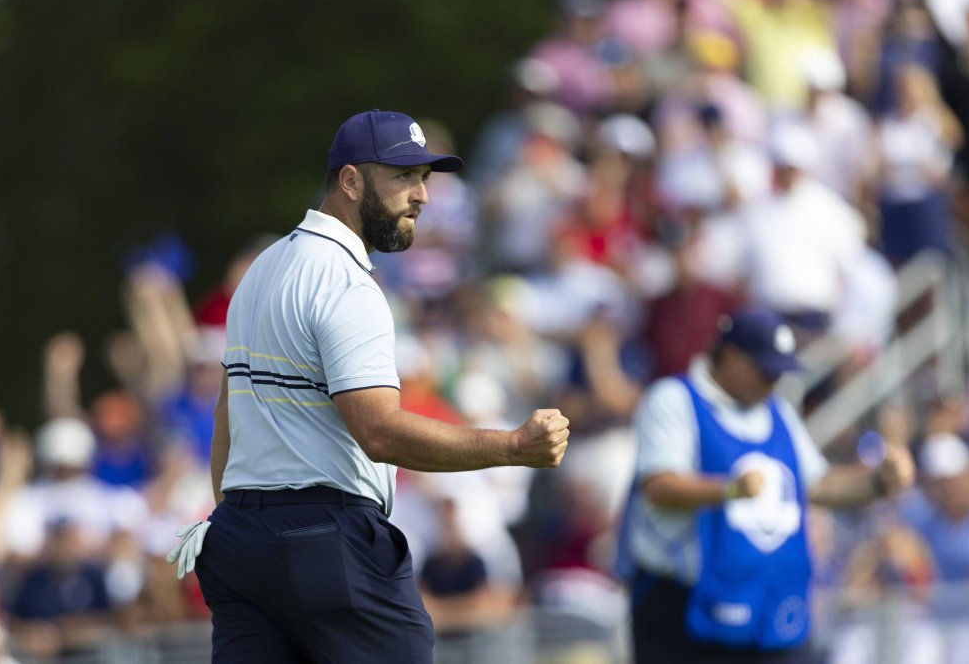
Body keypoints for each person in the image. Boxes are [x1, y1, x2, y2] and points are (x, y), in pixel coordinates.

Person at [167, 109, 570, 663]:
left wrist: (239, 520)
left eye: (424, 177)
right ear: (351, 181)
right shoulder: (346, 284)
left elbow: (225, 415)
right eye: (403, 176)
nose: (422, 195)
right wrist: (512, 447)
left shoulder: (262, 269)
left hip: (239, 538)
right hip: (325, 539)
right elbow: (378, 432)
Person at [613, 307, 914, 663]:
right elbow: (659, 486)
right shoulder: (674, 399)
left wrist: (879, 482)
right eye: (764, 370)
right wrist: (730, 490)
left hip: (767, 610)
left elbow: (816, 486)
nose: (773, 382)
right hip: (685, 610)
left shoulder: (777, 412)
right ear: (729, 356)